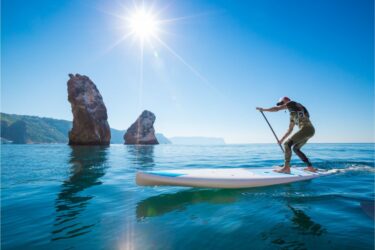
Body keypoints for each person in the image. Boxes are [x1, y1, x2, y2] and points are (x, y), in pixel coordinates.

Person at [256, 97, 317, 174]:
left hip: (306, 129)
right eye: (281, 104)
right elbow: (289, 130)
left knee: (287, 144)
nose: (282, 105)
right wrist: (281, 140)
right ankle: (310, 167)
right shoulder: (292, 115)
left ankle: (286, 168)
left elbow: (277, 109)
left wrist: (263, 109)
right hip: (309, 131)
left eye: (282, 103)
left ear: (286, 100)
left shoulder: (292, 103)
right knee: (296, 149)